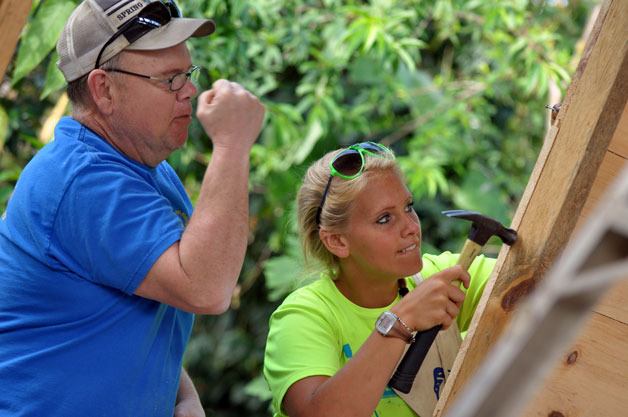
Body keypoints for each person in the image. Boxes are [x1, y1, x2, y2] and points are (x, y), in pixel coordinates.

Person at [0, 1, 264, 416]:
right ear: (103, 89)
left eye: (188, 74)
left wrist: (182, 395)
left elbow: (133, 311)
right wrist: (232, 147)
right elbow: (207, 288)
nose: (189, 90)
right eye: (170, 80)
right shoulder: (84, 181)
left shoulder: (146, 171)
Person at [263, 142, 495, 417]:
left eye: (408, 207)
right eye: (385, 219)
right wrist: (401, 322)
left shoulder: (444, 277)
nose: (410, 227)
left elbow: (537, 277)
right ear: (337, 241)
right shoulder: (304, 317)